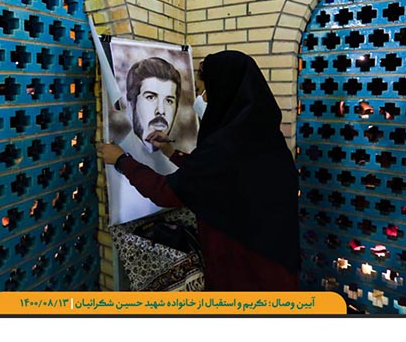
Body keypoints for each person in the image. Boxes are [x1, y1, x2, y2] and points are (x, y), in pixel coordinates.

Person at [98, 50, 300, 291]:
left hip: (247, 272)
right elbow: (220, 177)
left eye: (206, 92)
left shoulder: (227, 145)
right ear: (132, 100)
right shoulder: (261, 136)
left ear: (225, 93)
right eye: (151, 97)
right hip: (278, 262)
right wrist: (172, 153)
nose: (201, 99)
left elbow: (167, 192)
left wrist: (122, 161)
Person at [108, 57, 183, 224]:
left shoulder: (175, 167)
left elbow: (166, 194)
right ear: (131, 104)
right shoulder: (116, 157)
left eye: (169, 101)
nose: (161, 111)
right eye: (150, 97)